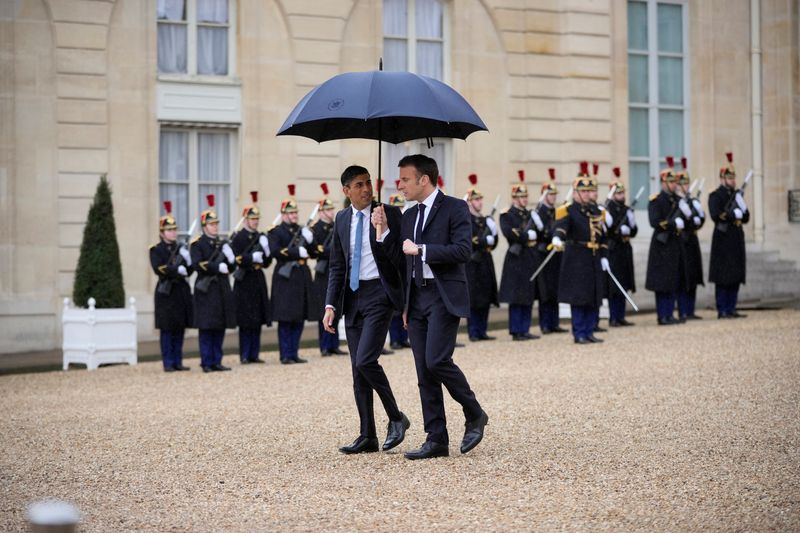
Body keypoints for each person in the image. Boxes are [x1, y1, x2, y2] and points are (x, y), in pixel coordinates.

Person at [391, 154, 488, 460]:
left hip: (443, 295)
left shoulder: (455, 207)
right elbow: (401, 263)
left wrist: (422, 249)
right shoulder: (408, 215)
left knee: (436, 360)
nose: (400, 184)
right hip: (416, 298)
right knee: (423, 371)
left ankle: (474, 412)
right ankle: (436, 439)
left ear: (424, 179)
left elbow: (462, 250)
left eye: (405, 179)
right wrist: (405, 304)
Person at [323, 165, 410, 455]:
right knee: (357, 371)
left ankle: (396, 417)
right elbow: (337, 265)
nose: (365, 189)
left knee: (365, 360)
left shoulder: (388, 214)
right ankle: (367, 435)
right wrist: (330, 305)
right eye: (358, 185)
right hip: (353, 297)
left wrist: (383, 229)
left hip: (380, 294)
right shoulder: (341, 218)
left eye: (368, 183)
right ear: (346, 191)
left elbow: (400, 258)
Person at [553, 162, 608, 344]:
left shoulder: (595, 210)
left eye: (588, 191)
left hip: (593, 257)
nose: (586, 194)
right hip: (577, 257)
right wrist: (557, 238)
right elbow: (561, 227)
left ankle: (590, 330)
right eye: (583, 192)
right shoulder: (568, 210)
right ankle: (579, 332)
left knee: (593, 295)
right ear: (575, 193)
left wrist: (605, 256)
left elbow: (603, 237)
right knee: (579, 297)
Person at [269, 185, 318, 364]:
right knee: (286, 318)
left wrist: (311, 240)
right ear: (283, 215)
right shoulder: (276, 232)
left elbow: (313, 252)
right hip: (285, 279)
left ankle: (294, 352)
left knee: (299, 317)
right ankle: (285, 354)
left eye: (295, 213)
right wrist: (297, 253)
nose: (294, 216)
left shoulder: (302, 231)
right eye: (290, 213)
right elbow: (275, 252)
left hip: (301, 277)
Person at [191, 194, 236, 372]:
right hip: (206, 289)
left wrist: (231, 259)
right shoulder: (198, 244)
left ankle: (217, 360)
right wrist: (218, 267)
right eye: (211, 224)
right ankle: (206, 361)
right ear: (204, 226)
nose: (215, 227)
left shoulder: (222, 243)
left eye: (216, 224)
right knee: (207, 327)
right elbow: (198, 264)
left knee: (219, 326)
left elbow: (230, 267)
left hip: (221, 288)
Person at [149, 201, 193, 372]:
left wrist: (188, 261)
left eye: (174, 230)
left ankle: (178, 360)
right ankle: (168, 362)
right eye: (169, 230)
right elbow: (159, 269)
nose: (173, 233)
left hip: (180, 291)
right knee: (167, 329)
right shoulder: (156, 250)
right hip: (166, 292)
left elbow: (189, 270)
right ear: (162, 233)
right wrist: (176, 269)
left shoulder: (181, 248)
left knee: (179, 327)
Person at [498, 170, 540, 341]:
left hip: (529, 256)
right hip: (516, 257)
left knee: (528, 293)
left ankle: (525, 328)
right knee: (516, 295)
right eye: (521, 197)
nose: (524, 199)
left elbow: (540, 232)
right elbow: (511, 233)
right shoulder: (506, 214)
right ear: (514, 198)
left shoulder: (530, 214)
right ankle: (516, 330)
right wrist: (526, 236)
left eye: (526, 196)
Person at [230, 191, 271, 364]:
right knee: (246, 320)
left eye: (257, 219)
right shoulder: (238, 237)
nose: (255, 222)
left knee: (257, 319)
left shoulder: (260, 237)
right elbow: (236, 258)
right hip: (244, 280)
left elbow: (267, 262)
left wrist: (267, 250)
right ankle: (245, 354)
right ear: (246, 220)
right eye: (252, 219)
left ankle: (254, 353)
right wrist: (250, 258)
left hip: (257, 278)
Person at [709, 151, 750, 319]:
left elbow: (746, 217)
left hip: (736, 239)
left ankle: (732, 307)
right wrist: (734, 214)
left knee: (735, 274)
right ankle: (722, 309)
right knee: (723, 276)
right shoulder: (715, 195)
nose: (733, 181)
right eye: (729, 178)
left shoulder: (737, 195)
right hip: (722, 239)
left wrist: (742, 208)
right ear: (722, 179)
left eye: (734, 178)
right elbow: (716, 215)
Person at [645, 156, 685, 325]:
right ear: (663, 183)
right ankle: (662, 315)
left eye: (675, 182)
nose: (674, 185)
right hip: (661, 245)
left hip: (674, 244)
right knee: (662, 282)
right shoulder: (656, 200)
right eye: (671, 182)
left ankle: (670, 313)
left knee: (673, 280)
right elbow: (655, 222)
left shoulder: (678, 200)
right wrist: (671, 224)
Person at [313, 183, 347, 356]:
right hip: (323, 272)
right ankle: (325, 346)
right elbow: (316, 250)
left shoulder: (336, 225)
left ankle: (333, 344)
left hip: (335, 271)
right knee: (324, 309)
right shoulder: (316, 228)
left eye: (332, 209)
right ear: (320, 212)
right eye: (327, 209)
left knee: (337, 308)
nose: (331, 212)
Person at [464, 174, 498, 342]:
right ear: (469, 202)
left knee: (485, 297)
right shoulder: (465, 220)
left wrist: (494, 233)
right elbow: (469, 241)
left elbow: (494, 243)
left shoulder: (485, 220)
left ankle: (482, 330)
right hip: (471, 263)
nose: (480, 203)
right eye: (476, 200)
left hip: (485, 261)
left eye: (480, 200)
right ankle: (473, 331)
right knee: (473, 298)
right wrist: (484, 240)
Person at [533, 169, 567, 334]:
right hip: (543, 254)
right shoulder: (538, 212)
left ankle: (554, 322)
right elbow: (539, 234)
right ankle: (545, 324)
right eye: (550, 194)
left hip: (556, 255)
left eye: (554, 194)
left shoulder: (557, 211)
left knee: (555, 290)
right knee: (545, 292)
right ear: (544, 195)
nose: (553, 197)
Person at [603, 169, 638, 327]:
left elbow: (634, 231)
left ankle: (621, 315)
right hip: (614, 250)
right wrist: (617, 232)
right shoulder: (608, 208)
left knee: (624, 282)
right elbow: (608, 231)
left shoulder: (626, 210)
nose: (622, 196)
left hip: (625, 248)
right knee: (614, 285)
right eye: (618, 193)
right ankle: (613, 317)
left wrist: (631, 225)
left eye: (623, 193)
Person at [676, 158, 705, 320]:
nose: (686, 187)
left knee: (693, 275)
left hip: (692, 240)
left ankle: (690, 309)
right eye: (683, 184)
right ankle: (682, 310)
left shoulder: (691, 201)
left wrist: (698, 216)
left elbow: (700, 221)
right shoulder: (678, 203)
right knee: (683, 277)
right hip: (681, 241)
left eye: (687, 184)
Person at [387, 186, 411, 351]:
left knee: (405, 303)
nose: (401, 210)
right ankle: (395, 338)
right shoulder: (389, 225)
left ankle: (403, 337)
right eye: (398, 208)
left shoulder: (407, 223)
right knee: (395, 305)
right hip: (392, 267)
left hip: (405, 266)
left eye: (402, 207)